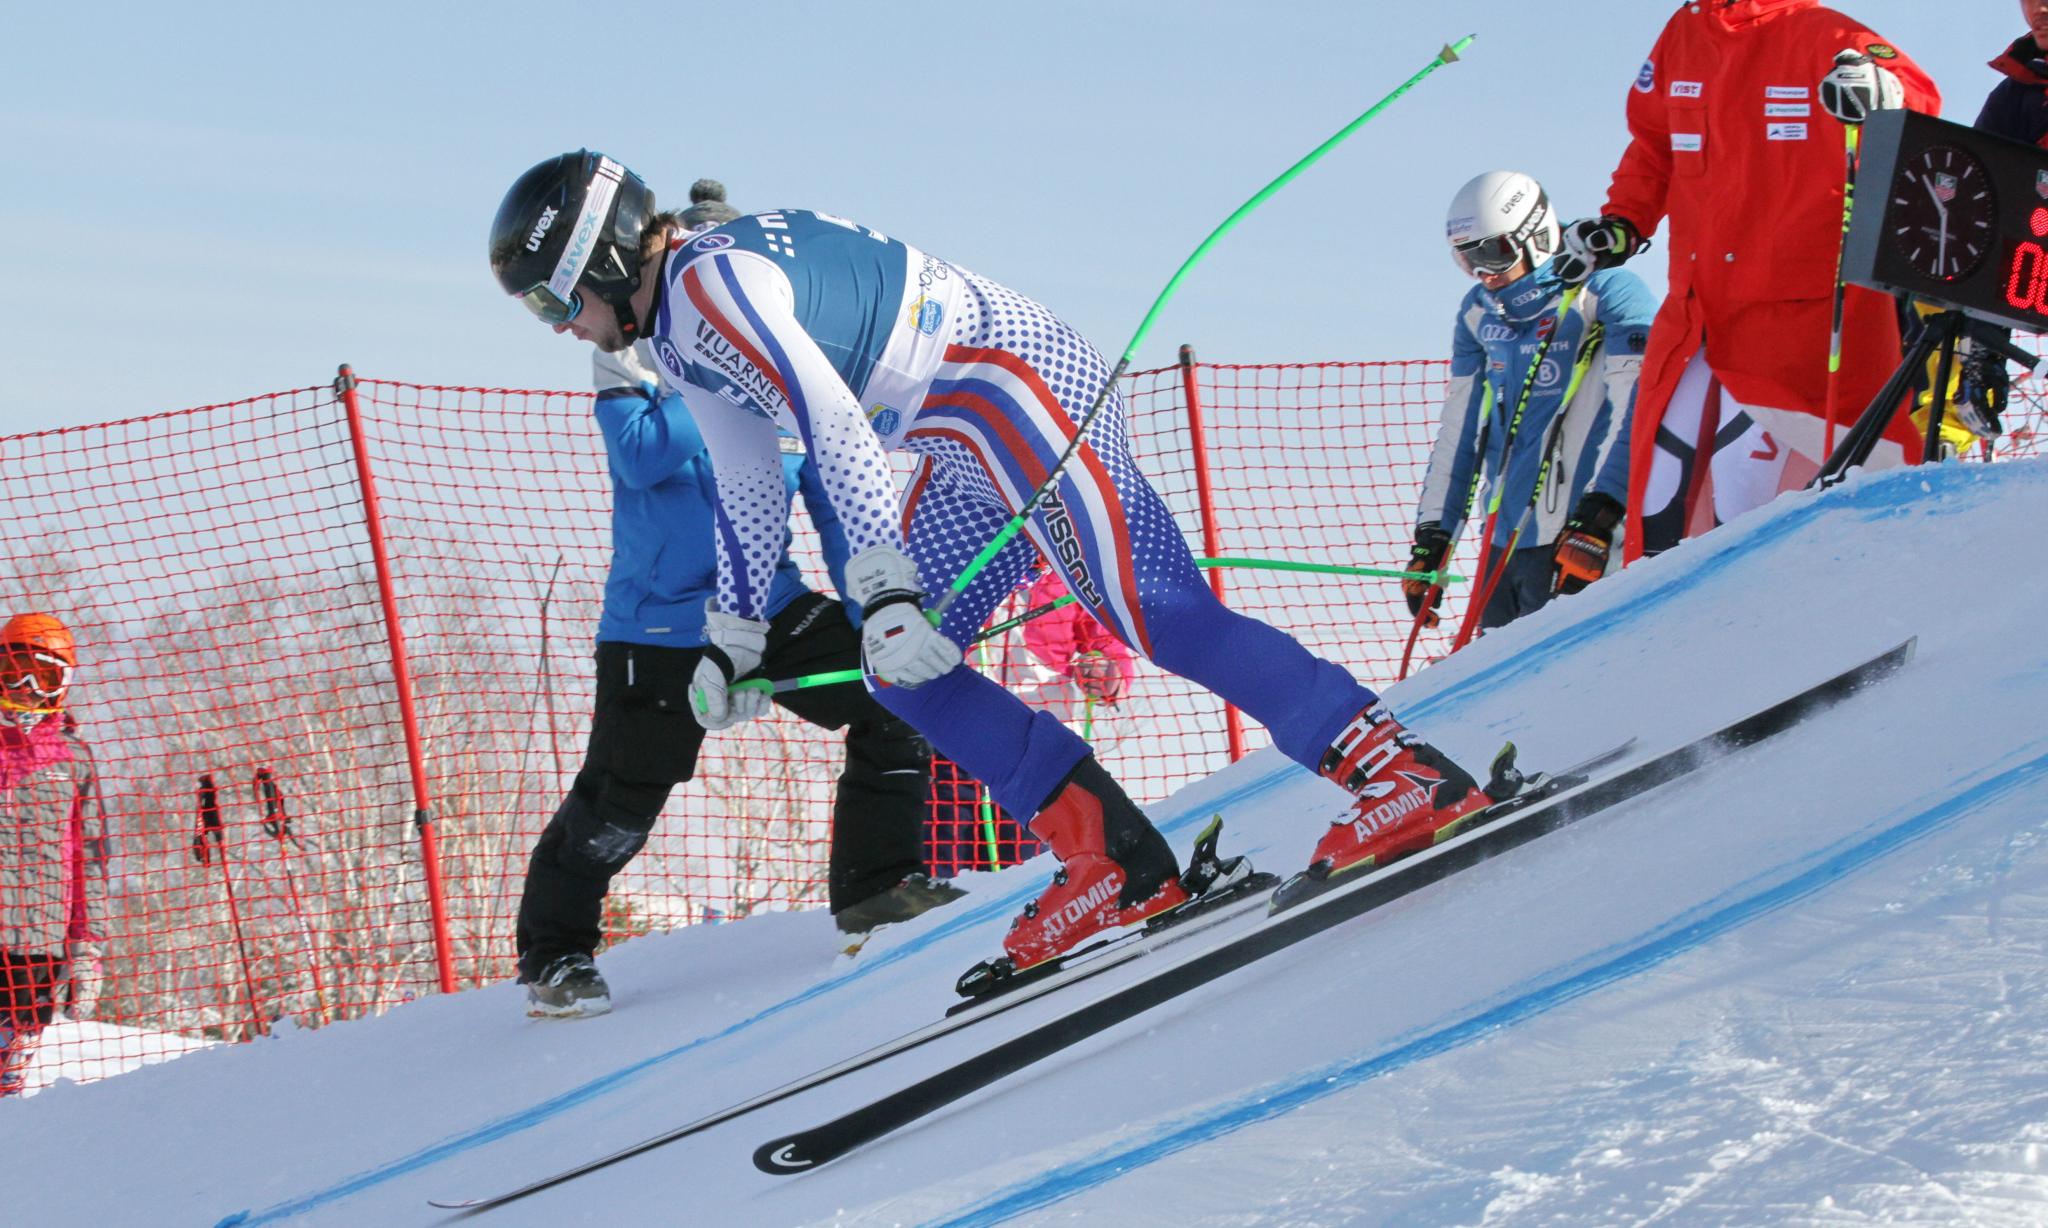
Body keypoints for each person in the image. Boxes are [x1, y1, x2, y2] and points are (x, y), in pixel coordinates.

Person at [489, 152, 1512, 976]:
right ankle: (1106, 856)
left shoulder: (709, 284)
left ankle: (1400, 770)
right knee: (898, 669)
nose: (559, 326)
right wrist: (735, 635)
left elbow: (832, 419)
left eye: (552, 301)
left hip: (1017, 390)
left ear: (604, 257)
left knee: (1154, 611)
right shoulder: (675, 332)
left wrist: (881, 586)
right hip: (957, 432)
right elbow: (747, 477)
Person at [514, 201, 956, 1019]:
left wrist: (878, 617)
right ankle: (556, 953)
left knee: (895, 702)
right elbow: (640, 456)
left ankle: (877, 893)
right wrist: (714, 370)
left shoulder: (793, 370)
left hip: (770, 608)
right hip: (660, 628)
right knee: (622, 801)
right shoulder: (633, 350)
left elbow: (833, 508)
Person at [1553, 0, 1940, 561]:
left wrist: (1883, 93)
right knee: (1660, 491)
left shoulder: (1822, 31)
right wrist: (1623, 222)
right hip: (1700, 313)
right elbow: (1655, 146)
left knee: (1747, 492)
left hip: (1794, 321)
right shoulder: (1686, 31)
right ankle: (1675, 638)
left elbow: (1915, 99)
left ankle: (1785, 626)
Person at [1406, 171, 1655, 635]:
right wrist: (1432, 541)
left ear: (1536, 237)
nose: (1484, 274)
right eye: (1467, 259)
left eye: (1493, 254)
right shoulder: (1478, 312)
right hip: (1500, 547)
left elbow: (1640, 411)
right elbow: (1459, 432)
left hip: (1578, 537)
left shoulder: (1605, 294)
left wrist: (1601, 514)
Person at [0, 614, 106, 1093]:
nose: (25, 687)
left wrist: (85, 951)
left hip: (35, 951)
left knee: (6, 1080)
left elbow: (92, 863)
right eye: (14, 670)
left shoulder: (74, 758)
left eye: (41, 675)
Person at [1019, 565, 1134, 727]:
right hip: (986, 630)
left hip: (1039, 666)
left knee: (1053, 733)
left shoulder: (1076, 561)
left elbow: (1100, 627)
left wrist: (1115, 675)